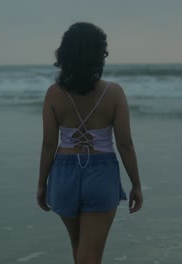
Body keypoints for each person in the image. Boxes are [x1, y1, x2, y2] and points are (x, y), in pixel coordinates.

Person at [37, 22, 143, 264]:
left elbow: (48, 144)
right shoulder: (114, 93)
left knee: (80, 253)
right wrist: (136, 184)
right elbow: (125, 144)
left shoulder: (54, 94)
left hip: (63, 173)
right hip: (101, 172)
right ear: (99, 54)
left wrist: (42, 183)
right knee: (90, 256)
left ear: (65, 53)